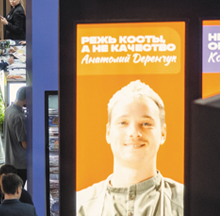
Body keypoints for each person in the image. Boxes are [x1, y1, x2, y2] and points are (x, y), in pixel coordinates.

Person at [76, 80, 184, 216]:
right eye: (123, 123)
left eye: (146, 123)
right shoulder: (78, 206)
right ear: (108, 132)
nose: (134, 133)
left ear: (162, 133)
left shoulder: (191, 204)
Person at [4, 87, 28, 185]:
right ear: (25, 100)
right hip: (20, 164)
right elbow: (25, 144)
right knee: (18, 189)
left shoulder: (9, 109)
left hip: (11, 159)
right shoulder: (19, 118)